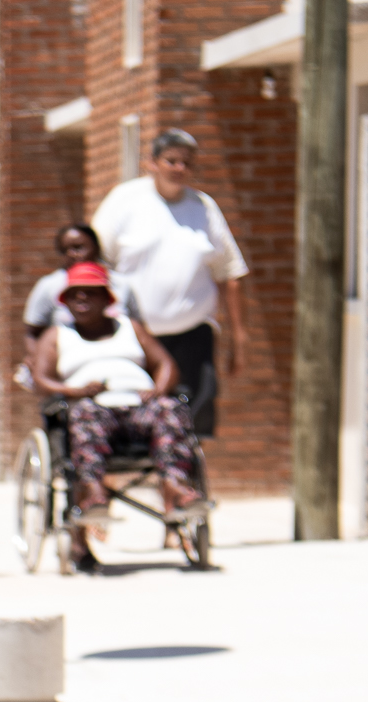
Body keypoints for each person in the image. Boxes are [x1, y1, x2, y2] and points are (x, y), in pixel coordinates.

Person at [26, 261, 203, 571]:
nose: (82, 299)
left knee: (172, 409)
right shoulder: (57, 335)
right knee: (84, 417)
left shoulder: (129, 328)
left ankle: (175, 487)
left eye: (91, 294)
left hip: (139, 406)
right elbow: (40, 379)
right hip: (92, 406)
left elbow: (166, 365)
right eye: (75, 294)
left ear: (106, 299)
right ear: (65, 301)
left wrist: (158, 390)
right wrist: (74, 390)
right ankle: (93, 492)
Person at [90, 129, 246, 440]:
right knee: (130, 416)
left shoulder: (203, 207)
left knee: (193, 417)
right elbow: (96, 261)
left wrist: (239, 336)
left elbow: (229, 272)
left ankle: (182, 482)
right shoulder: (125, 201)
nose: (179, 169)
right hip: (136, 336)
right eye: (171, 161)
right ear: (152, 164)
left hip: (192, 335)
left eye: (186, 163)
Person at [22, 222, 140, 339]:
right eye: (64, 250)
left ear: (96, 247)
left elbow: (138, 326)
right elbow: (32, 332)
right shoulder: (49, 285)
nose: (72, 254)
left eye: (78, 247)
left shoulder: (121, 283)